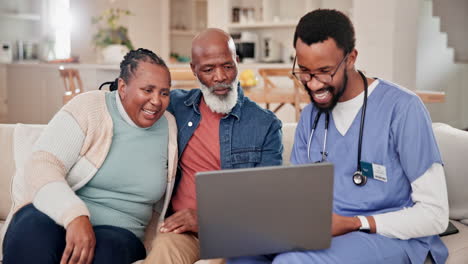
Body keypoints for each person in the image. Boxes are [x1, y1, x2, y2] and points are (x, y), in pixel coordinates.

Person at [228, 9, 449, 264]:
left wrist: (355, 223)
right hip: (324, 234)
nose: (313, 84)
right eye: (305, 72)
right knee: (241, 255)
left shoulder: (403, 109)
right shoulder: (311, 116)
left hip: (388, 236)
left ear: (351, 58)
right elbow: (302, 199)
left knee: (290, 262)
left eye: (324, 71)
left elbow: (435, 214)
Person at [2, 48, 178, 264]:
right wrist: (74, 216)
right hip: (59, 217)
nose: (156, 101)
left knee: (107, 254)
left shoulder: (169, 127)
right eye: (148, 90)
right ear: (122, 87)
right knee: (33, 229)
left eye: (164, 92)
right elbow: (42, 165)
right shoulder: (90, 106)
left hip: (121, 235)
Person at [143, 28, 283, 264]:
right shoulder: (175, 106)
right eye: (208, 69)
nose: (220, 77)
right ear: (194, 70)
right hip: (181, 233)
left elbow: (268, 200)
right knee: (162, 253)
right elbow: (129, 101)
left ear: (237, 63)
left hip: (231, 234)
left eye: (227, 66)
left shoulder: (265, 124)